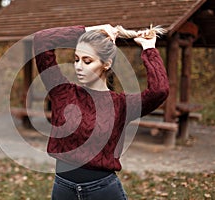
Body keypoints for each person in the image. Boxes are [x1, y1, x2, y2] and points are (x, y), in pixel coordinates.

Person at [33, 24, 169, 200]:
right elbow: (42, 40)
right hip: (63, 190)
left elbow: (160, 90)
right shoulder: (62, 93)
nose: (79, 67)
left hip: (103, 192)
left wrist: (148, 47)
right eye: (76, 59)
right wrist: (89, 30)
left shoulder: (122, 105)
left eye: (87, 61)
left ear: (106, 64)